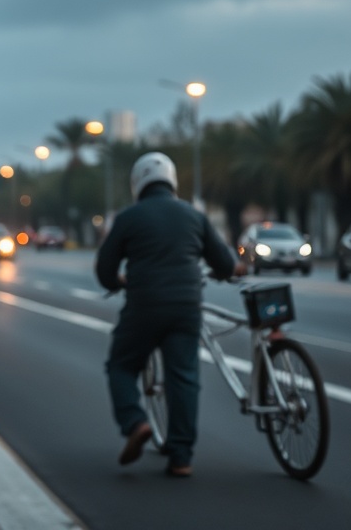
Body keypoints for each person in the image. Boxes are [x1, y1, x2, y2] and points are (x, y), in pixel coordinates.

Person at [95, 152, 245, 477]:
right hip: (186, 307)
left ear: (137, 184)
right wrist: (230, 269)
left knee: (121, 365)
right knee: (184, 376)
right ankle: (181, 457)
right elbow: (224, 263)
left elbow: (104, 270)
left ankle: (135, 422)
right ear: (172, 181)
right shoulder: (194, 216)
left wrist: (118, 281)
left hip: (144, 306)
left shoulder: (128, 218)